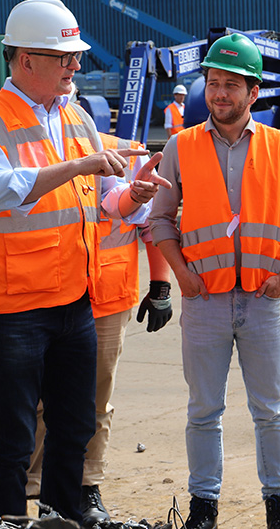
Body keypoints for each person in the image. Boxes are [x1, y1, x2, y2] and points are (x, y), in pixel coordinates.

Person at [0, 0, 169, 522]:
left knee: (74, 424)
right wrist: (79, 165)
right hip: (12, 307)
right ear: (26, 60)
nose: (76, 66)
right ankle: (7, 519)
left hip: (74, 301)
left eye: (74, 57)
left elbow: (104, 200)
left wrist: (133, 195)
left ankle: (63, 515)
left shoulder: (76, 115)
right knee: (17, 431)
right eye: (65, 57)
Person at [148, 33, 280, 529]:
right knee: (203, 411)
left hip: (263, 301)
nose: (219, 93)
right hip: (204, 302)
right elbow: (161, 220)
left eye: (231, 85)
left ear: (253, 91)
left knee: (271, 411)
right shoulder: (181, 146)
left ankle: (279, 507)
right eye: (213, 82)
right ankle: (204, 507)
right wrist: (182, 276)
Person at [25, 132, 174, 527]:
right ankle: (37, 485)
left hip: (107, 296)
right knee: (41, 397)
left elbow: (151, 223)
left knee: (96, 397)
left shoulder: (121, 150)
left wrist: (160, 284)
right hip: (49, 292)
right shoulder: (37, 151)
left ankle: (87, 484)